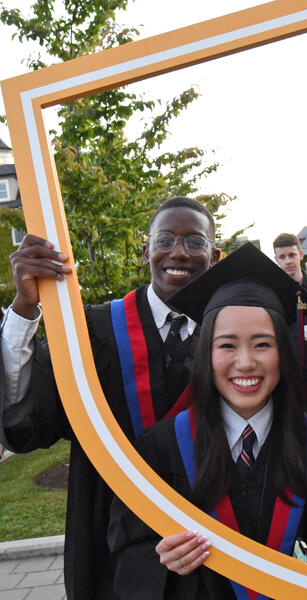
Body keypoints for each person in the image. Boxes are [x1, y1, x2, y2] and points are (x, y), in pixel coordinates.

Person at [0, 196, 220, 599]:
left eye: (195, 242)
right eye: (165, 239)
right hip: (110, 544)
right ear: (145, 250)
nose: (178, 252)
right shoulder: (92, 331)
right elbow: (24, 422)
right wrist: (26, 309)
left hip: (213, 540)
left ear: (214, 255)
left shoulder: (232, 335)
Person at [108, 242, 307, 599]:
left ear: (283, 353)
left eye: (262, 344)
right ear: (205, 353)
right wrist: (161, 558)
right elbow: (131, 546)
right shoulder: (162, 448)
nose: (245, 363)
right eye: (227, 346)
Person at [273, 233, 307, 413]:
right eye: (282, 257)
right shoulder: (273, 291)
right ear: (276, 259)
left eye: (292, 255)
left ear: (301, 255)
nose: (288, 261)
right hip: (292, 370)